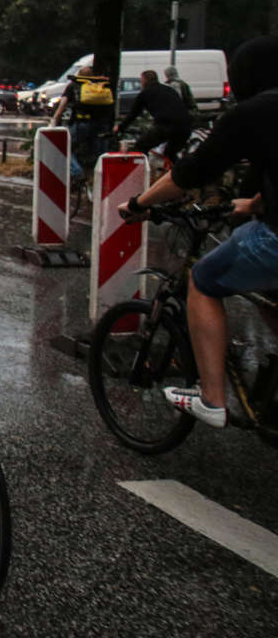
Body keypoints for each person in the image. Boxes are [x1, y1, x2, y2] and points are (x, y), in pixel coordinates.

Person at [120, 36, 278, 428]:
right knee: (270, 294)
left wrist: (139, 204)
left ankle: (211, 399)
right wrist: (255, 204)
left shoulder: (254, 112)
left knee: (204, 280)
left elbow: (191, 172)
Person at [50, 64, 115, 185]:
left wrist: (54, 121)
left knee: (65, 147)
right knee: (99, 153)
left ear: (79, 75)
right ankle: (103, 178)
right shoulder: (102, 85)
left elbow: (62, 105)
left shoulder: (74, 85)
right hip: (100, 125)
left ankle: (77, 172)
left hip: (81, 124)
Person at [115, 69, 193, 162]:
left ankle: (142, 169)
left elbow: (133, 114)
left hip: (166, 126)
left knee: (141, 146)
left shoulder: (145, 94)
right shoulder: (169, 89)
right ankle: (179, 169)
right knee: (170, 153)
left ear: (144, 81)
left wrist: (120, 128)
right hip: (185, 127)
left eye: (141, 81)